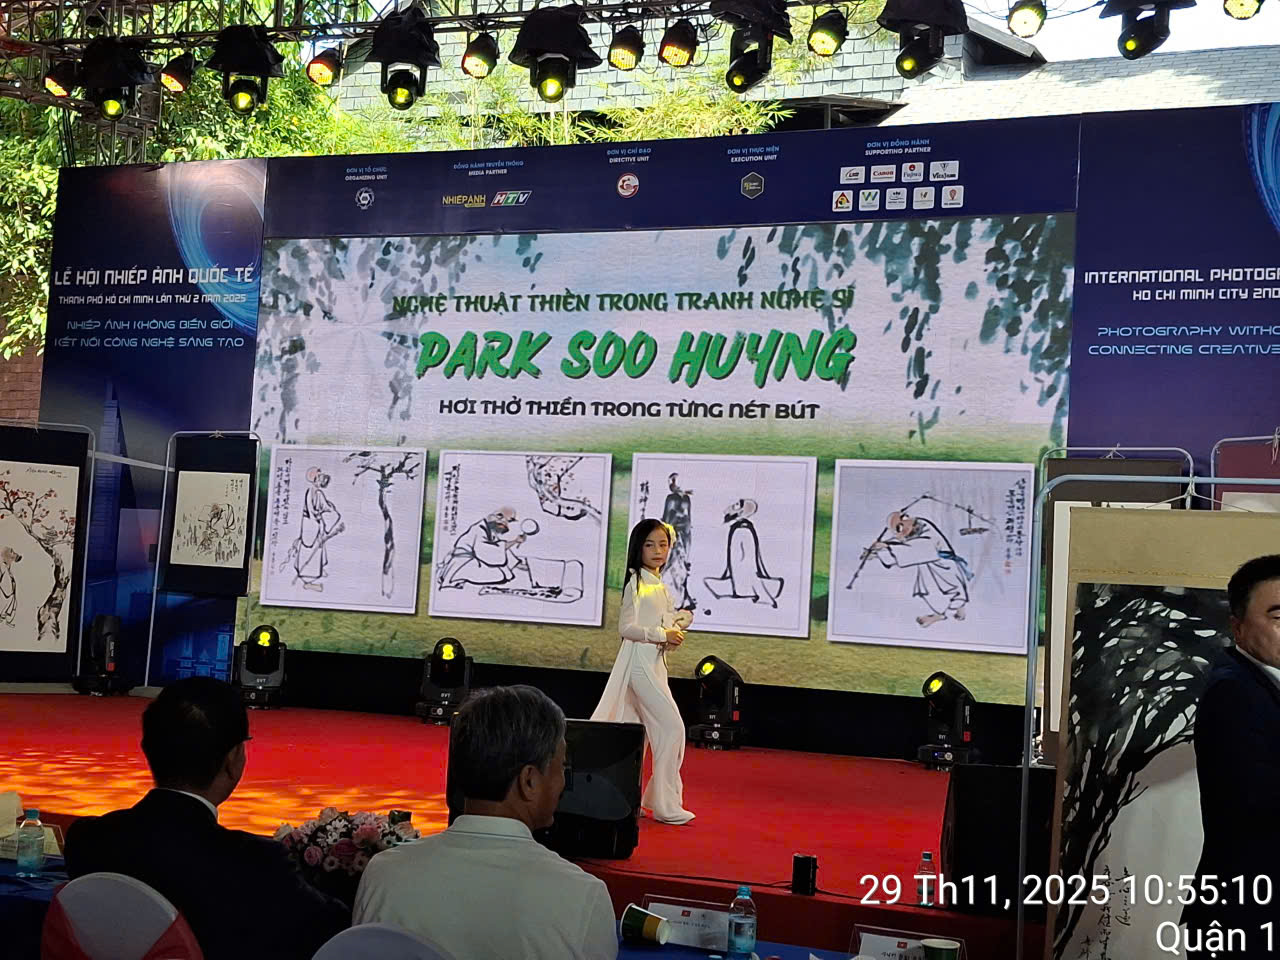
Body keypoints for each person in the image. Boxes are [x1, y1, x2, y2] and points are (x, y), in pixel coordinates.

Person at [64, 677, 350, 960]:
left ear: (147, 748)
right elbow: (334, 928)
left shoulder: (87, 839)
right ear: (233, 759)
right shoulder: (257, 863)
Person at [354, 685, 617, 960]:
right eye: (561, 768)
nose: (563, 782)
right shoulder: (582, 897)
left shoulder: (384, 874)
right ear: (529, 781)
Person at [1184, 554, 1280, 954]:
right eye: (1278, 617)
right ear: (1237, 626)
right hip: (1245, 919)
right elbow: (1256, 802)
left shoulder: (1262, 684)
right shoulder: (1234, 691)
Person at [592, 519, 695, 825]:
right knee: (672, 728)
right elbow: (627, 628)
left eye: (663, 544)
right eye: (650, 545)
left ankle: (630, 798)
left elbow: (657, 625)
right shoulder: (636, 582)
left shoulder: (657, 583)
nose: (658, 550)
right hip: (640, 664)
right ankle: (664, 804)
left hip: (654, 664)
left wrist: (676, 625)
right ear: (638, 548)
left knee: (637, 734)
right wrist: (663, 634)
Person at [864, 510, 971, 627]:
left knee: (953, 589)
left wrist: (887, 548)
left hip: (943, 564)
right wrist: (878, 551)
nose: (900, 533)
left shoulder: (924, 528)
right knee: (931, 591)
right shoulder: (911, 531)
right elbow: (901, 544)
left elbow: (918, 548)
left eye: (900, 526)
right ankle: (944, 613)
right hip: (928, 565)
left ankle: (946, 614)